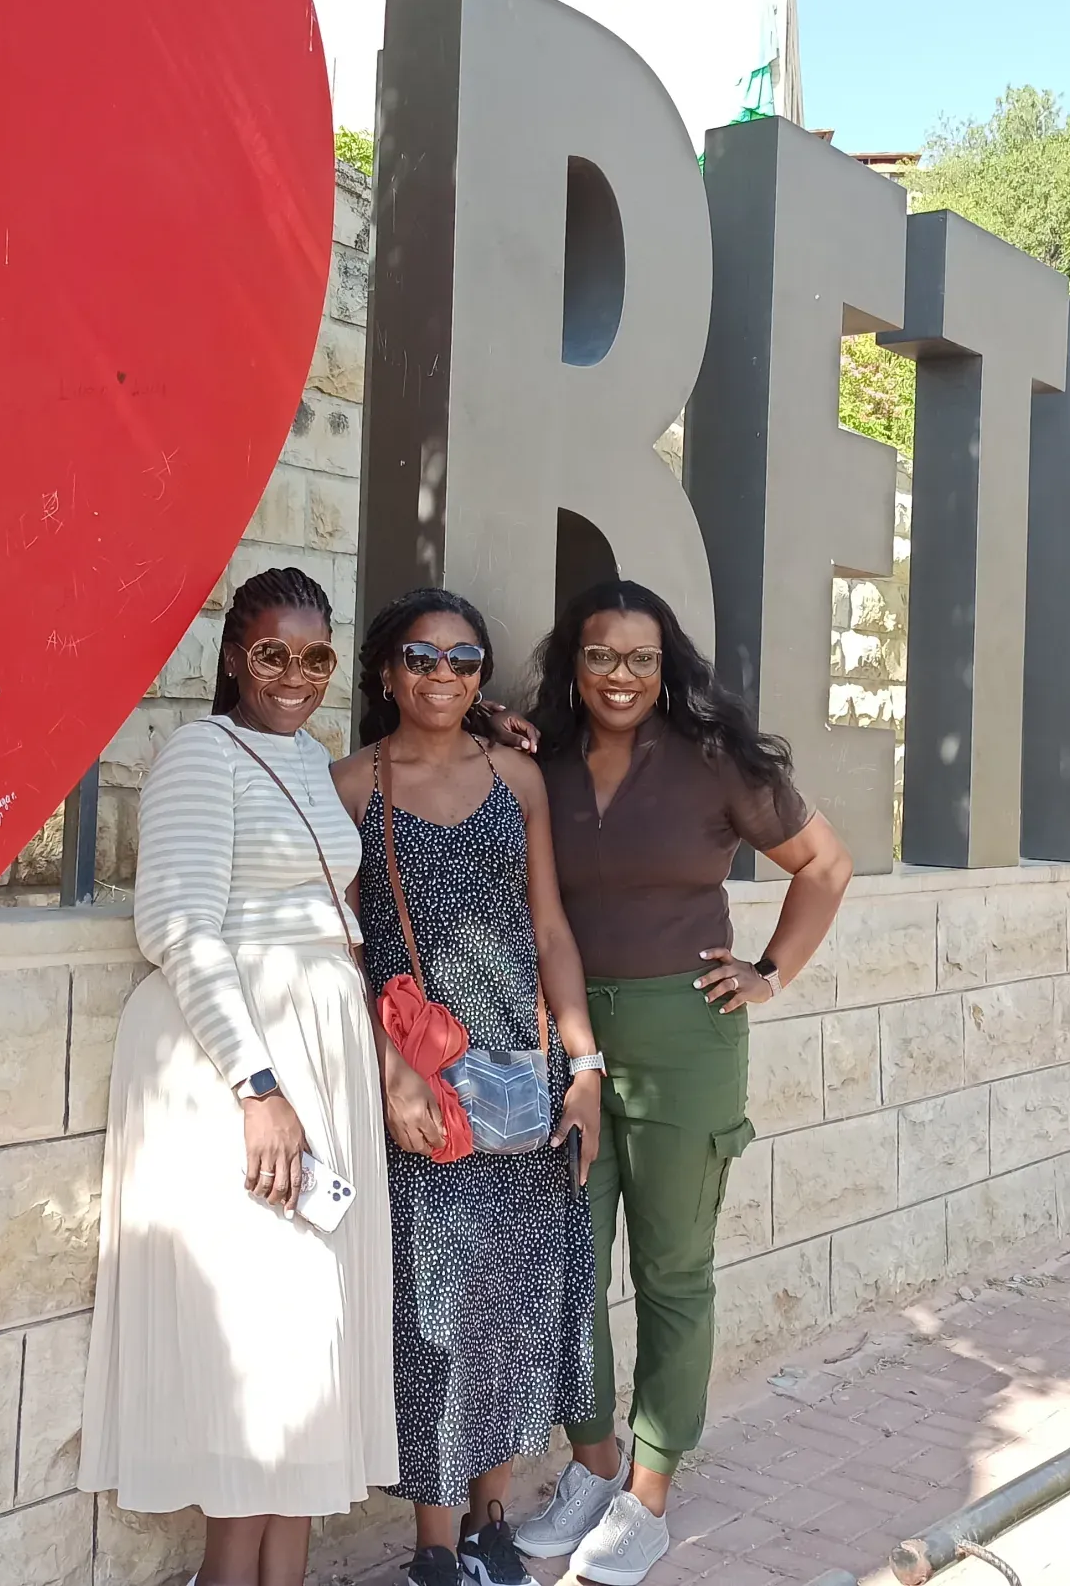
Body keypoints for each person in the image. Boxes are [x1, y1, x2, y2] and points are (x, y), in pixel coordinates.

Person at [506, 579, 852, 1586]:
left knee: (670, 1270)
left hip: (683, 1037)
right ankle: (592, 1466)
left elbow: (824, 866)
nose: (621, 676)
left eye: (641, 659)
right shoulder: (544, 764)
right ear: (573, 663)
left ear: (668, 669)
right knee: (570, 1264)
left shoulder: (714, 763)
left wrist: (770, 974)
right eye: (601, 656)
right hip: (566, 1040)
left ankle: (649, 1491)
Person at [80, 567, 396, 1586]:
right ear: (232, 656)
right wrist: (257, 1088)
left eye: (314, 656)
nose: (295, 675)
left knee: (310, 1350)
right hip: (240, 1069)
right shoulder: (197, 758)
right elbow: (175, 924)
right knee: (266, 1350)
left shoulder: (307, 758)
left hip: (318, 1062)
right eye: (272, 654)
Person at [330, 588, 607, 1586]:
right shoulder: (350, 784)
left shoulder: (517, 780)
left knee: (514, 1304)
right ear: (385, 671)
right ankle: (435, 1549)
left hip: (522, 1082)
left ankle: (492, 1521)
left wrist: (582, 1067)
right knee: (438, 1316)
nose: (441, 676)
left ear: (482, 676)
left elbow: (550, 930)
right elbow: (343, 949)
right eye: (420, 657)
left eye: (462, 661)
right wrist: (391, 1069)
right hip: (427, 1089)